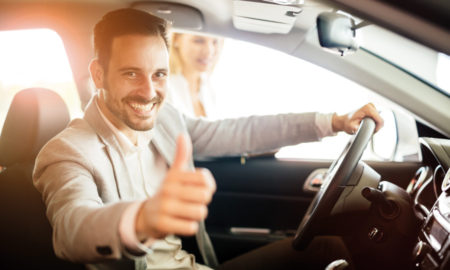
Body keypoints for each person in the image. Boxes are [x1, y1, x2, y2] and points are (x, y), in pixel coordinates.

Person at [33, 8, 383, 270]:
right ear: (98, 74)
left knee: (327, 249)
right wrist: (140, 220)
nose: (149, 91)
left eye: (159, 74)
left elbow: (238, 132)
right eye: (130, 74)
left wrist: (332, 122)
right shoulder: (67, 152)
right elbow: (72, 229)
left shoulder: (166, 117)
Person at [166, 32, 223, 118]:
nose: (209, 50)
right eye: (199, 41)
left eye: (215, 42)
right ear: (176, 39)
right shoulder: (166, 89)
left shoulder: (209, 87)